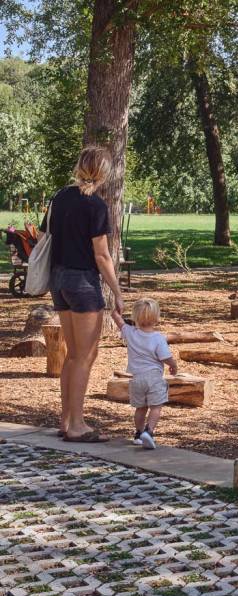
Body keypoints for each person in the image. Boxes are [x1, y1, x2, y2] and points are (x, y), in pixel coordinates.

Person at [49, 146, 124, 443]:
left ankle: (66, 420)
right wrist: (117, 292)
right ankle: (78, 426)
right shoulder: (95, 205)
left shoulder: (60, 197)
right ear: (104, 172)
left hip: (58, 279)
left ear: (80, 167)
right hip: (82, 283)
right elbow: (102, 256)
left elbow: (45, 237)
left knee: (71, 355)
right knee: (85, 355)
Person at [111, 298, 176, 450]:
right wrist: (174, 365)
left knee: (140, 408)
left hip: (137, 379)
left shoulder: (130, 333)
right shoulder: (158, 338)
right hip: (154, 378)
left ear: (135, 317)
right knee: (155, 407)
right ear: (156, 318)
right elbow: (165, 357)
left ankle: (138, 434)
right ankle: (149, 431)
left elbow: (116, 318)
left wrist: (117, 309)